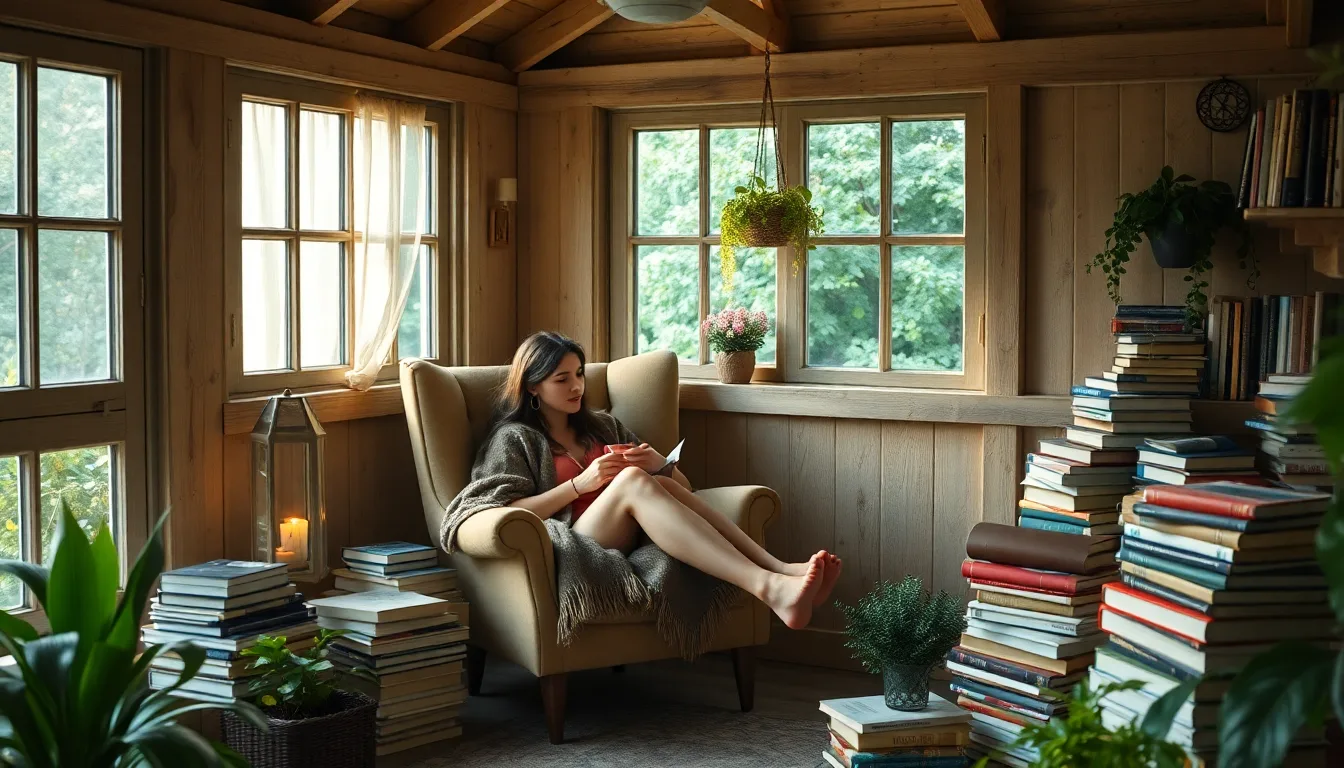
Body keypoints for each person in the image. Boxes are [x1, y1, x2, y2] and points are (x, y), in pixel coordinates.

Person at [482, 330, 842, 631]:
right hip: (573, 541)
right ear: (532, 387)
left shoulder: (602, 425)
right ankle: (769, 586)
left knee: (659, 482)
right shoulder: (514, 438)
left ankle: (778, 568)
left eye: (579, 374)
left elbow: (684, 493)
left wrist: (660, 463)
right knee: (634, 482)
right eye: (562, 379)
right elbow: (501, 511)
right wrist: (580, 484)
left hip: (629, 530)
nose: (576, 386)